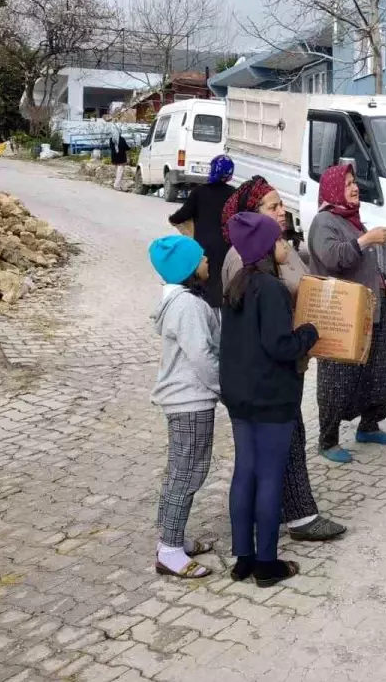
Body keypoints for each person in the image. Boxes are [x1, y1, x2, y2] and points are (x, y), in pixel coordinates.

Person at [219, 176, 347, 543]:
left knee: (276, 449)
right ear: (250, 216)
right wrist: (305, 334)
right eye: (271, 207)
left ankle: (265, 521)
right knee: (281, 448)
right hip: (270, 377)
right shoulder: (242, 261)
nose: (282, 211)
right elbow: (260, 331)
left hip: (282, 370)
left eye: (280, 204)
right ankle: (297, 520)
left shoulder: (280, 252)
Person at [220, 212, 319, 587]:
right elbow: (280, 345)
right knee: (270, 476)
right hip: (272, 398)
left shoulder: (237, 285)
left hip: (240, 396)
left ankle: (242, 558)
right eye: (279, 241)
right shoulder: (272, 290)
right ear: (264, 247)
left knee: (244, 472)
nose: (285, 246)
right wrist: (309, 333)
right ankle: (266, 563)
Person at [308, 164, 386, 463]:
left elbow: (366, 263)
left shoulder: (351, 219)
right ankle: (327, 440)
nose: (354, 188)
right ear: (332, 189)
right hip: (342, 316)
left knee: (380, 372)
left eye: (355, 183)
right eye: (348, 183)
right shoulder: (324, 221)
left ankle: (369, 425)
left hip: (373, 310)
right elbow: (334, 257)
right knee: (338, 379)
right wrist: (367, 239)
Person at [147, 234, 220, 579]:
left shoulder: (180, 301)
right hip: (191, 400)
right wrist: (225, 389)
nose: (207, 258)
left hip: (183, 400)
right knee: (189, 473)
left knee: (178, 470)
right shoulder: (188, 306)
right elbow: (202, 357)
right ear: (188, 268)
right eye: (201, 257)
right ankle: (170, 551)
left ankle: (170, 537)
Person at [167, 155, 235, 308]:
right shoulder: (234, 194)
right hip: (226, 247)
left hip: (202, 246)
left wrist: (173, 218)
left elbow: (182, 215)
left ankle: (201, 314)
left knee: (202, 281)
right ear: (230, 173)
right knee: (221, 281)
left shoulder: (200, 192)